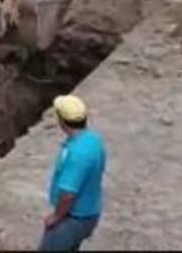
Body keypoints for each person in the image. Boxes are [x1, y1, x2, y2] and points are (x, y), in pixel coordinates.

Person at [40, 94, 106, 252]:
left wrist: (56, 217)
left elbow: (68, 194)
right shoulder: (93, 140)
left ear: (62, 121)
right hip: (90, 212)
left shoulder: (77, 154)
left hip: (74, 218)